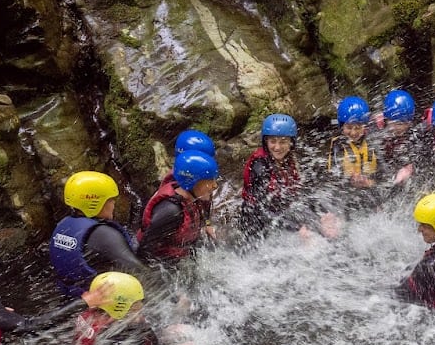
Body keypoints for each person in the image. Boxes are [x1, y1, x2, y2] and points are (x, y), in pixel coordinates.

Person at [239, 113, 339, 241]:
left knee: (322, 230)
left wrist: (323, 213)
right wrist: (297, 228)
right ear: (266, 142)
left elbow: (301, 193)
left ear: (291, 142)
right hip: (256, 221)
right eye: (273, 141)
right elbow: (261, 209)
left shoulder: (289, 160)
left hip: (279, 210)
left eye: (283, 142)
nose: (277, 147)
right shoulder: (260, 167)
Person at [49, 171, 144, 298]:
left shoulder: (63, 226)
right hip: (104, 303)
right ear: (95, 203)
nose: (114, 204)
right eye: (110, 200)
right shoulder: (103, 234)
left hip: (73, 298)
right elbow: (139, 271)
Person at [137, 150, 219, 265]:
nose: (215, 186)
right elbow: (144, 250)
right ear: (192, 181)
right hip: (164, 265)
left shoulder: (194, 199)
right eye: (210, 181)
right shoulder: (172, 211)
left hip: (182, 255)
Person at [327, 96, 381, 205]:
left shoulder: (372, 142)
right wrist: (350, 180)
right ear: (342, 126)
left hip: (371, 192)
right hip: (347, 196)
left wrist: (369, 183)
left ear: (365, 127)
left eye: (358, 127)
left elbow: (384, 174)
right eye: (349, 127)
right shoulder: (338, 145)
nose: (353, 133)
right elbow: (333, 178)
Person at [374, 89, 417, 187]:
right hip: (381, 176)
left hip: (399, 171)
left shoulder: (412, 133)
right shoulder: (376, 133)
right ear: (386, 119)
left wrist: (408, 168)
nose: (401, 128)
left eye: (405, 123)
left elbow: (416, 155)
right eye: (397, 123)